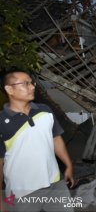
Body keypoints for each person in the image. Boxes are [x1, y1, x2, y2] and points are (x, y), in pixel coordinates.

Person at [0, 69, 75, 212]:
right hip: (22, 191)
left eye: (32, 83)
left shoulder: (45, 110)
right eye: (26, 83)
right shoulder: (1, 121)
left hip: (55, 183)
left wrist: (68, 165)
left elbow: (55, 138)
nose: (32, 86)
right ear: (9, 89)